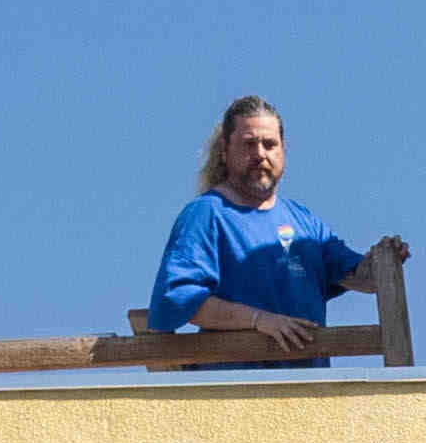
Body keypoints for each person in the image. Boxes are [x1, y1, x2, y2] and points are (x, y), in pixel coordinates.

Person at [140, 99, 402, 364]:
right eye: (248, 144)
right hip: (236, 392)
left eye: (269, 144)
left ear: (283, 151)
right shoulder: (207, 214)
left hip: (310, 394)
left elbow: (360, 277)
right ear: (224, 150)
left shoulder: (303, 221)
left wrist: (385, 259)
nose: (260, 154)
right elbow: (178, 298)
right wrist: (258, 321)